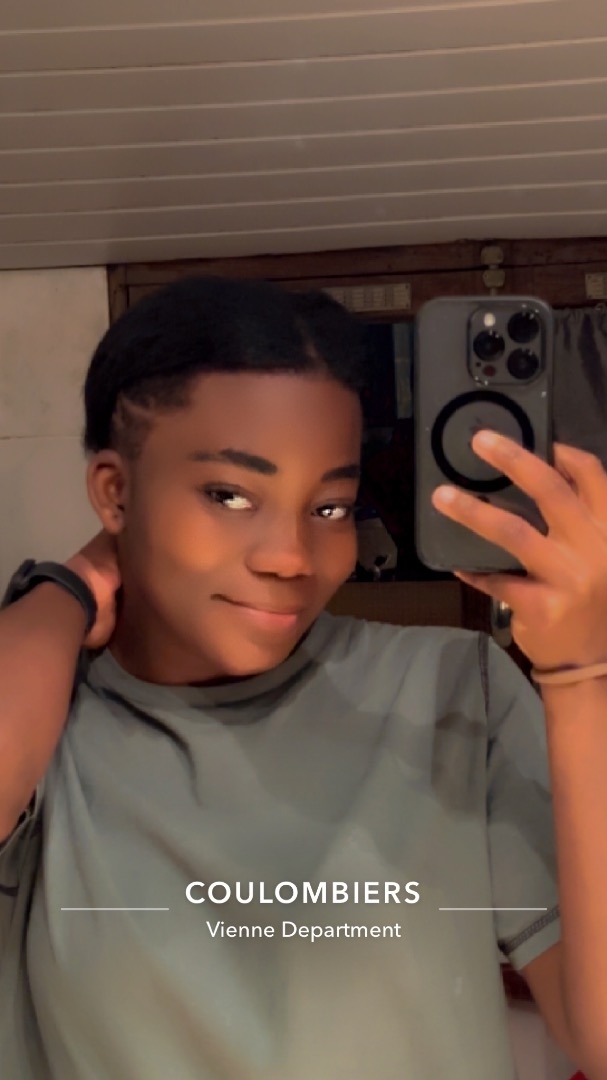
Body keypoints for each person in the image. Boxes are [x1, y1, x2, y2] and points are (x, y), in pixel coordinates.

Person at [0, 276, 606, 1080]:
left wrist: (576, 674)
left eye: (328, 508)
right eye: (228, 495)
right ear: (114, 492)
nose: (289, 557)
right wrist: (68, 585)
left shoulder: (451, 693)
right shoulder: (48, 724)